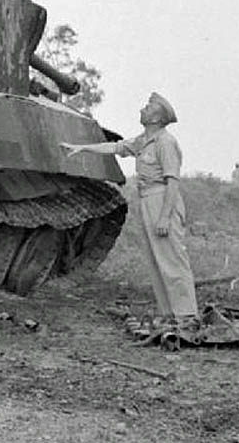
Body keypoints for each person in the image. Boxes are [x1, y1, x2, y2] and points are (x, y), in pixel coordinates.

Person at [60, 92, 197, 322]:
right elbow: (115, 148)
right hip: (147, 200)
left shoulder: (165, 142)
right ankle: (169, 314)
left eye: (148, 107)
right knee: (156, 260)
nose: (142, 109)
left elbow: (172, 182)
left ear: (156, 118)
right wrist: (81, 148)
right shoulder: (143, 140)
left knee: (172, 259)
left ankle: (187, 316)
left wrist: (165, 217)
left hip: (163, 199)